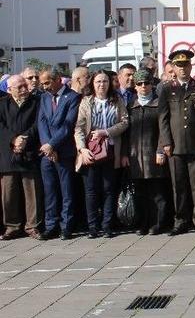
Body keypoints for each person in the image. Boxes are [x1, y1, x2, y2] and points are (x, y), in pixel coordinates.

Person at [158, 49, 195, 235]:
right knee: (178, 186)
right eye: (179, 66)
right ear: (173, 67)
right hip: (175, 145)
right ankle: (180, 220)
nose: (183, 69)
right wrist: (166, 142)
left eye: (185, 65)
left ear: (190, 66)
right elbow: (163, 118)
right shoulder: (166, 88)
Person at [74, 70, 129, 238]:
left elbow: (125, 122)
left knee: (109, 189)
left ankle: (107, 225)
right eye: (98, 82)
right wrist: (82, 149)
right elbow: (79, 128)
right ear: (92, 83)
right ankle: (92, 226)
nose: (101, 85)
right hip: (91, 151)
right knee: (91, 190)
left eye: (105, 81)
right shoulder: (86, 102)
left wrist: (106, 132)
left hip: (111, 150)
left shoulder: (117, 100)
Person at [125, 69, 172, 235]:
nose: (143, 86)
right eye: (139, 84)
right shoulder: (130, 106)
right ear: (135, 87)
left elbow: (164, 129)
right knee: (140, 194)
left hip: (154, 155)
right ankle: (142, 224)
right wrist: (125, 154)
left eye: (146, 83)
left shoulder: (159, 103)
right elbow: (125, 133)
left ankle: (158, 223)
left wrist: (161, 150)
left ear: (152, 84)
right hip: (136, 157)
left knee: (158, 193)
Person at [37, 68, 81, 240]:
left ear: (57, 80)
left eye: (47, 82)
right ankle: (51, 225)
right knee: (50, 191)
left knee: (66, 191)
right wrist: (47, 146)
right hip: (47, 152)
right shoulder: (44, 97)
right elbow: (42, 123)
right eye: (42, 83)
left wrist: (53, 145)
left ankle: (66, 226)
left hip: (64, 151)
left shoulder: (72, 97)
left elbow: (68, 125)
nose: (44, 86)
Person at [0, 75, 44, 241]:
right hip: (8, 155)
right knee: (9, 193)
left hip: (29, 152)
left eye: (24, 86)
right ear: (9, 89)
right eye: (19, 87)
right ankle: (12, 226)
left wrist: (25, 138)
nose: (24, 89)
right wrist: (13, 139)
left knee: (32, 192)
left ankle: (33, 226)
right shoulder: (2, 104)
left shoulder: (36, 102)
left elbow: (38, 123)